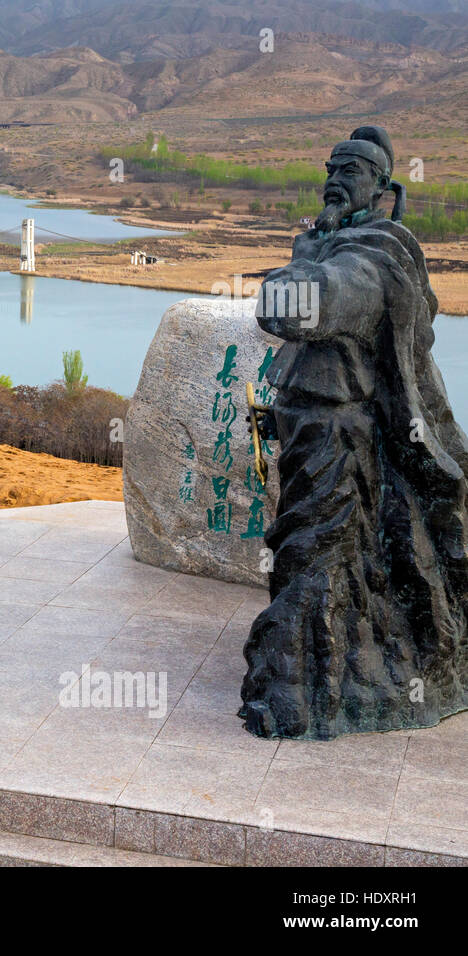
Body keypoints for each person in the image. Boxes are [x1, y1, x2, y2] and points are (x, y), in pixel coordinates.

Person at [240, 126, 468, 739]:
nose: (335, 179)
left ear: (383, 188)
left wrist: (289, 281)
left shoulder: (377, 253)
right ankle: (324, 679)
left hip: (341, 436)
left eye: (353, 171)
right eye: (332, 168)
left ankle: (300, 692)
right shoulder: (321, 241)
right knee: (316, 557)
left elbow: (304, 302)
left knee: (315, 558)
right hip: (303, 426)